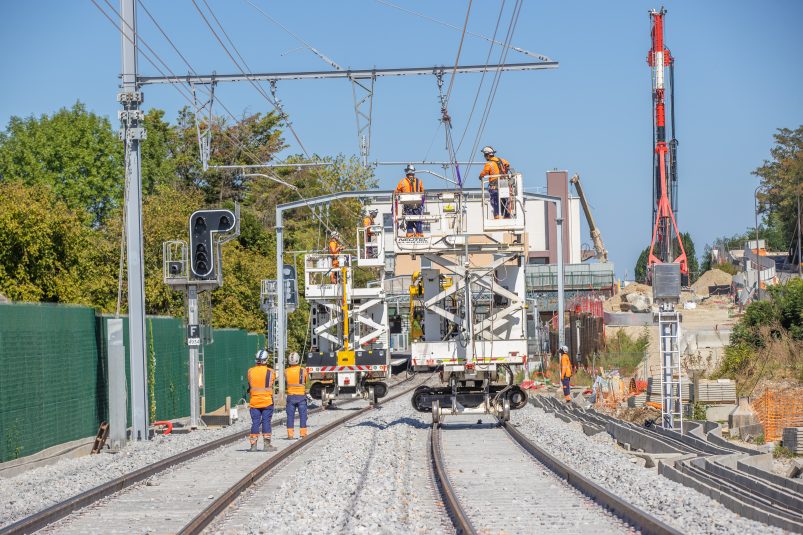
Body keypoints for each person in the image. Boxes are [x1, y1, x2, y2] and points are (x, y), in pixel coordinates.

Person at [247, 350, 277, 452]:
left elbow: (250, 383)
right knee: (266, 421)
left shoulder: (250, 371)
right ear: (266, 359)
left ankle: (253, 446)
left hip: (254, 402)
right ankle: (267, 445)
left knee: (255, 422)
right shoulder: (271, 372)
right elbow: (271, 382)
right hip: (267, 401)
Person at [479, 146, 512, 219]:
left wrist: (480, 176)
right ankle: (506, 215)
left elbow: (484, 172)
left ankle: (497, 215)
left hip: (495, 184)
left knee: (495, 200)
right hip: (504, 182)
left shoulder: (489, 164)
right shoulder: (501, 160)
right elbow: (507, 164)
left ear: (487, 155)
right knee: (504, 199)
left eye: (484, 155)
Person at [395, 164, 425, 237]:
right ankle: (415, 233)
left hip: (415, 205)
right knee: (414, 220)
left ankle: (414, 233)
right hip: (411, 205)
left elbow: (423, 193)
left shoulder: (417, 181)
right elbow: (396, 192)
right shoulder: (404, 182)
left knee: (414, 220)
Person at [285, 351, 309, 440]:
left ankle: (290, 435)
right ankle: (303, 434)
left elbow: (286, 381)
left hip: (290, 396)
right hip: (301, 396)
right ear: (298, 359)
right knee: (303, 415)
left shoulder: (286, 371)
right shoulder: (303, 370)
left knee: (290, 416)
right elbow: (305, 380)